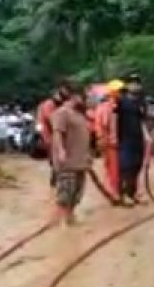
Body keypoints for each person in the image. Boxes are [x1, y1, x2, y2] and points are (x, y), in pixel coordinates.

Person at [50, 86, 92, 226]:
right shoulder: (62, 113)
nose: (85, 100)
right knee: (66, 190)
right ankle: (62, 220)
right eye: (82, 96)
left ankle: (70, 216)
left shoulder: (80, 114)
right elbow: (57, 133)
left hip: (80, 160)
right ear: (74, 97)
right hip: (68, 161)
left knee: (77, 191)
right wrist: (61, 151)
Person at [114, 76, 151, 206]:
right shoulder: (120, 102)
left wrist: (147, 136)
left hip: (138, 138)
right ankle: (124, 195)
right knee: (126, 167)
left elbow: (143, 121)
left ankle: (133, 193)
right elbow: (114, 118)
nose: (135, 86)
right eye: (132, 83)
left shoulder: (141, 102)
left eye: (137, 83)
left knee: (137, 166)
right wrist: (113, 136)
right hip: (125, 138)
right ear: (127, 86)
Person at [38, 81, 73, 185]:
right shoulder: (49, 104)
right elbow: (51, 120)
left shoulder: (60, 104)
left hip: (56, 134)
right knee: (56, 158)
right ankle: (56, 177)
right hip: (49, 135)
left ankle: (57, 176)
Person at [95, 80, 124, 202]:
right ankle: (115, 193)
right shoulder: (106, 108)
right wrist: (103, 140)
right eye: (119, 91)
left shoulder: (119, 106)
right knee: (113, 170)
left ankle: (118, 191)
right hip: (111, 144)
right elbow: (101, 126)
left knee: (119, 169)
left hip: (118, 143)